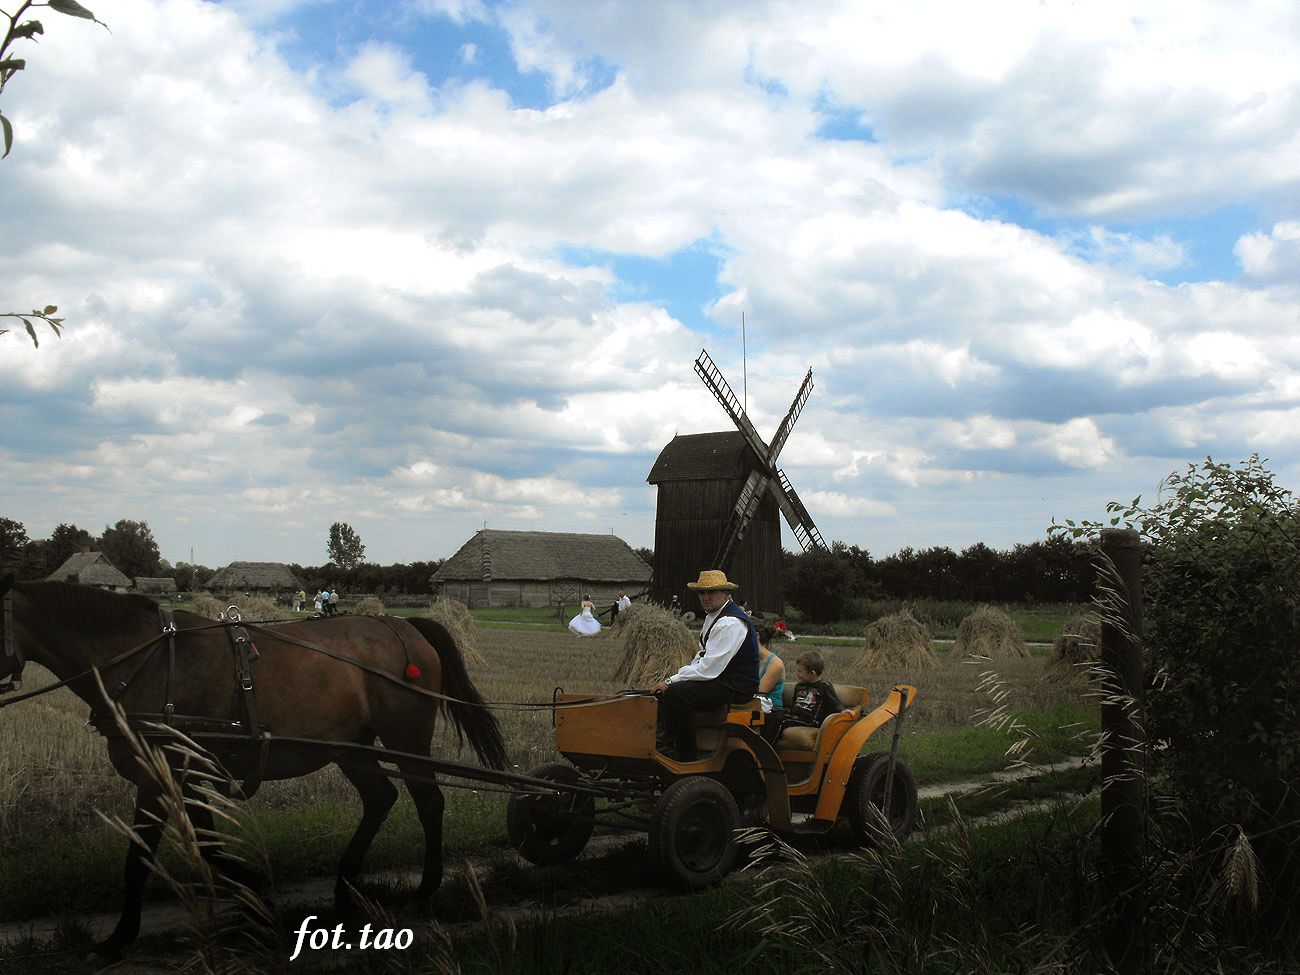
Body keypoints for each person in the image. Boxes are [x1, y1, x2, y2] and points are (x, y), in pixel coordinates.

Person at [651, 569, 759, 762]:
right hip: (722, 679)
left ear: (726, 594)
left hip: (736, 686)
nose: (706, 597)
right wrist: (675, 680)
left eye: (712, 592)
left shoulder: (730, 622)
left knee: (679, 694)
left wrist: (671, 681)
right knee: (669, 692)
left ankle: (685, 756)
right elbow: (701, 657)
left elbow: (709, 668)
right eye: (702, 592)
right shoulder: (714, 616)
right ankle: (663, 741)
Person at [768, 650, 844, 742]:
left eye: (800, 671)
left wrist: (843, 711)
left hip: (811, 720)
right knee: (769, 716)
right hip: (796, 716)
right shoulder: (799, 686)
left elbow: (834, 704)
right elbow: (795, 705)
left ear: (812, 674)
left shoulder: (824, 686)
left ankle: (767, 749)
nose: (797, 674)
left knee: (781, 721)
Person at [754, 621, 786, 717]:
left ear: (756, 636)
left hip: (771, 712)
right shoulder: (748, 659)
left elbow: (759, 694)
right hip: (752, 708)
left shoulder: (775, 664)